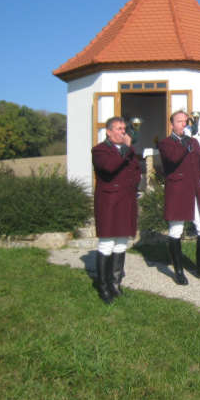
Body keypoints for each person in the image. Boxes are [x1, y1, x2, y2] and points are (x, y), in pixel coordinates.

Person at [158, 110, 200, 285]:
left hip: (195, 191)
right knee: (176, 231)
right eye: (180, 121)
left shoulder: (193, 142)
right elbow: (173, 158)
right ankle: (179, 271)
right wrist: (186, 139)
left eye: (186, 121)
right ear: (172, 124)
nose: (184, 124)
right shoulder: (165, 143)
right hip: (177, 192)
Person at [91, 117, 142, 303]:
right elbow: (110, 167)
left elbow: (136, 170)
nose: (123, 132)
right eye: (119, 129)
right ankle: (103, 287)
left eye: (124, 129)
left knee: (121, 243)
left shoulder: (128, 151)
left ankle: (115, 284)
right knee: (106, 244)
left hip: (126, 201)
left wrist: (135, 183)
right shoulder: (99, 150)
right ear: (108, 132)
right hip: (109, 202)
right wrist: (128, 150)